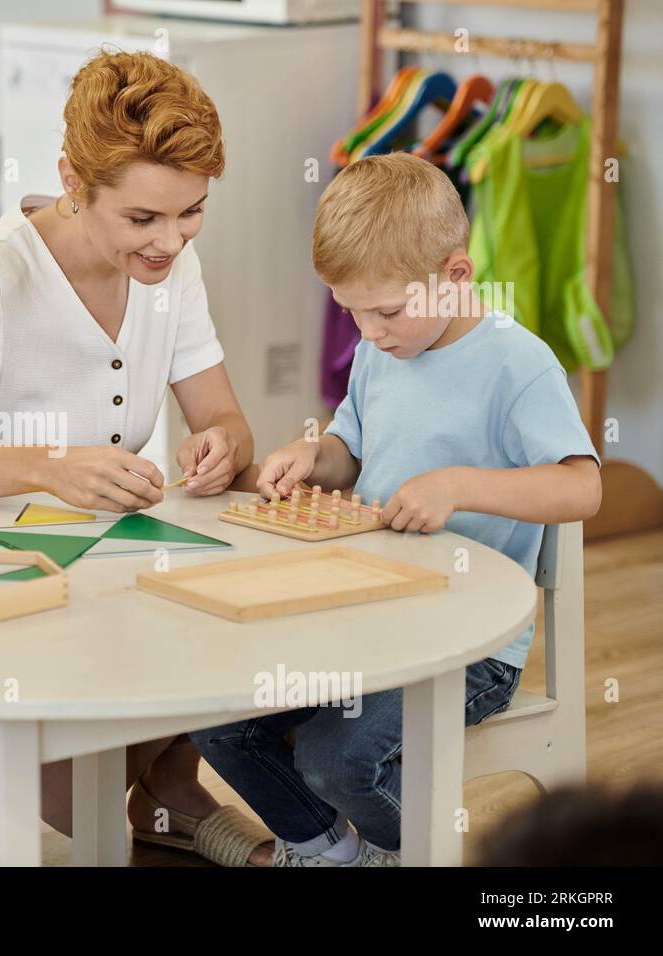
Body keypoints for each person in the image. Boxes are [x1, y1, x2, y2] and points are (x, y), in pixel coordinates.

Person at [0, 50, 268, 866]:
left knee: (235, 593)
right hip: (7, 587)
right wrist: (46, 466)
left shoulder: (171, 268)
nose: (171, 240)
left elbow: (223, 415)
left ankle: (170, 785)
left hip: (111, 570)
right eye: (143, 219)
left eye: (192, 212)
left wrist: (224, 445)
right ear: (74, 181)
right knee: (72, 833)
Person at [190, 153, 602, 866]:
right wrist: (310, 456)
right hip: (373, 614)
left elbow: (582, 487)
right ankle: (330, 850)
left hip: (469, 645)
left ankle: (416, 853)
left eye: (386, 311)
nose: (369, 332)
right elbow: (351, 449)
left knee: (335, 758)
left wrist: (459, 487)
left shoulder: (518, 365)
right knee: (216, 713)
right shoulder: (384, 350)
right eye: (352, 312)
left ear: (457, 275)